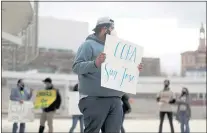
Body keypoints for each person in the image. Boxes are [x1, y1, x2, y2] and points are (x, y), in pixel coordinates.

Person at [72, 17, 142, 133]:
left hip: (115, 100)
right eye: (112, 28)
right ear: (104, 29)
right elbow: (76, 67)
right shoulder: (88, 45)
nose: (114, 31)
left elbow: (122, 70)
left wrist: (134, 69)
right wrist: (95, 63)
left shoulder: (116, 49)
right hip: (94, 99)